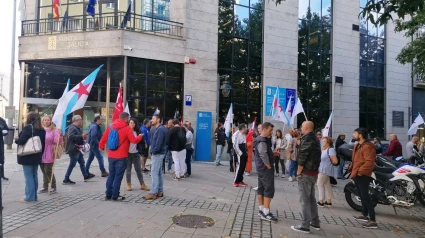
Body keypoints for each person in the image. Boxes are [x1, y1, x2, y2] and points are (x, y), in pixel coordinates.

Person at [99, 112, 142, 201]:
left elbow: (103, 139)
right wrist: (140, 137)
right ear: (126, 119)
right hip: (122, 156)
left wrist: (101, 147)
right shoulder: (127, 128)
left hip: (111, 154)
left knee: (111, 175)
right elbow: (133, 141)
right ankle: (115, 195)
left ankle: (108, 194)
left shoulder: (110, 126)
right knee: (118, 176)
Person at [291, 121, 321, 234]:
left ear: (306, 127)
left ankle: (305, 225)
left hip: (306, 173)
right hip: (313, 172)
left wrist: (298, 172)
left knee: (305, 199)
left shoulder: (307, 139)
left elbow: (303, 156)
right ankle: (315, 222)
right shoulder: (315, 138)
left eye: (302, 127)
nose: (301, 129)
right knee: (311, 198)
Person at [15, 112, 46, 203]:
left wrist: (17, 139)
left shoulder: (28, 128)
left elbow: (21, 141)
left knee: (28, 176)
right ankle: (34, 196)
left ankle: (29, 197)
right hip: (37, 155)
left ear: (29, 119)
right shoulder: (42, 129)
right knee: (34, 175)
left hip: (27, 155)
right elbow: (43, 144)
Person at [350, 128, 377, 229]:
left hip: (363, 175)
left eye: (355, 133)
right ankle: (364, 214)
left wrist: (360, 172)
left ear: (360, 135)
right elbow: (356, 160)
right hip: (357, 173)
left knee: (366, 196)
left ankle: (373, 220)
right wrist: (352, 169)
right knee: (361, 194)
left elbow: (369, 161)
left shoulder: (368, 146)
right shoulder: (357, 145)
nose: (353, 135)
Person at [254, 122, 278, 222]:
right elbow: (263, 154)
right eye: (270, 130)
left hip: (260, 168)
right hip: (265, 168)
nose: (271, 132)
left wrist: (272, 153)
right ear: (264, 129)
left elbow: (263, 153)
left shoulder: (260, 140)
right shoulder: (262, 141)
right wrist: (268, 166)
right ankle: (266, 213)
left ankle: (261, 209)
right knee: (268, 189)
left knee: (261, 188)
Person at [64, 115, 93, 185]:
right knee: (72, 164)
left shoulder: (76, 128)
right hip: (74, 149)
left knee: (82, 162)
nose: (81, 121)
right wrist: (81, 136)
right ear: (77, 120)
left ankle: (85, 176)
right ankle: (66, 178)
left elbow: (76, 138)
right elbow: (71, 137)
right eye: (81, 120)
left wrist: (83, 141)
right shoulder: (72, 128)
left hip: (78, 149)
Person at [144, 114, 168, 200]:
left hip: (157, 154)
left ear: (158, 120)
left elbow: (158, 143)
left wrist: (154, 152)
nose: (151, 120)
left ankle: (153, 192)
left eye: (153, 118)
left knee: (154, 173)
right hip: (159, 153)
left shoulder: (160, 130)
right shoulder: (160, 129)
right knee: (159, 173)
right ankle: (160, 191)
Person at [126, 118, 149, 192]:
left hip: (136, 153)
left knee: (138, 169)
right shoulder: (126, 131)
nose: (132, 124)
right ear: (128, 123)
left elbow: (141, 141)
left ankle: (142, 184)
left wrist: (141, 149)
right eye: (131, 122)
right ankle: (128, 184)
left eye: (133, 123)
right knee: (128, 169)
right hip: (128, 153)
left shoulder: (138, 131)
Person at [39, 115, 59, 194]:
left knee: (48, 169)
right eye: (45, 120)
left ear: (51, 121)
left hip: (49, 151)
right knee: (43, 170)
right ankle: (45, 186)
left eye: (48, 120)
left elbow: (57, 142)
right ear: (42, 121)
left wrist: (59, 136)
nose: (46, 122)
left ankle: (53, 186)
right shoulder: (40, 130)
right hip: (41, 151)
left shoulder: (54, 130)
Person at [317, 137, 338, 207]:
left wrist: (330, 163)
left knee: (319, 184)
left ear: (328, 143)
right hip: (323, 169)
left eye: (324, 141)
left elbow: (335, 161)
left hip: (325, 170)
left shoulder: (331, 150)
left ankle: (321, 201)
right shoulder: (324, 149)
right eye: (322, 141)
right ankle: (329, 201)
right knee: (327, 185)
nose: (323, 143)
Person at [0, 116, 9, 181]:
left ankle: (2, 175)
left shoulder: (1, 120)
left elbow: (6, 129)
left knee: (1, 159)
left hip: (0, 143)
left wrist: (5, 132)